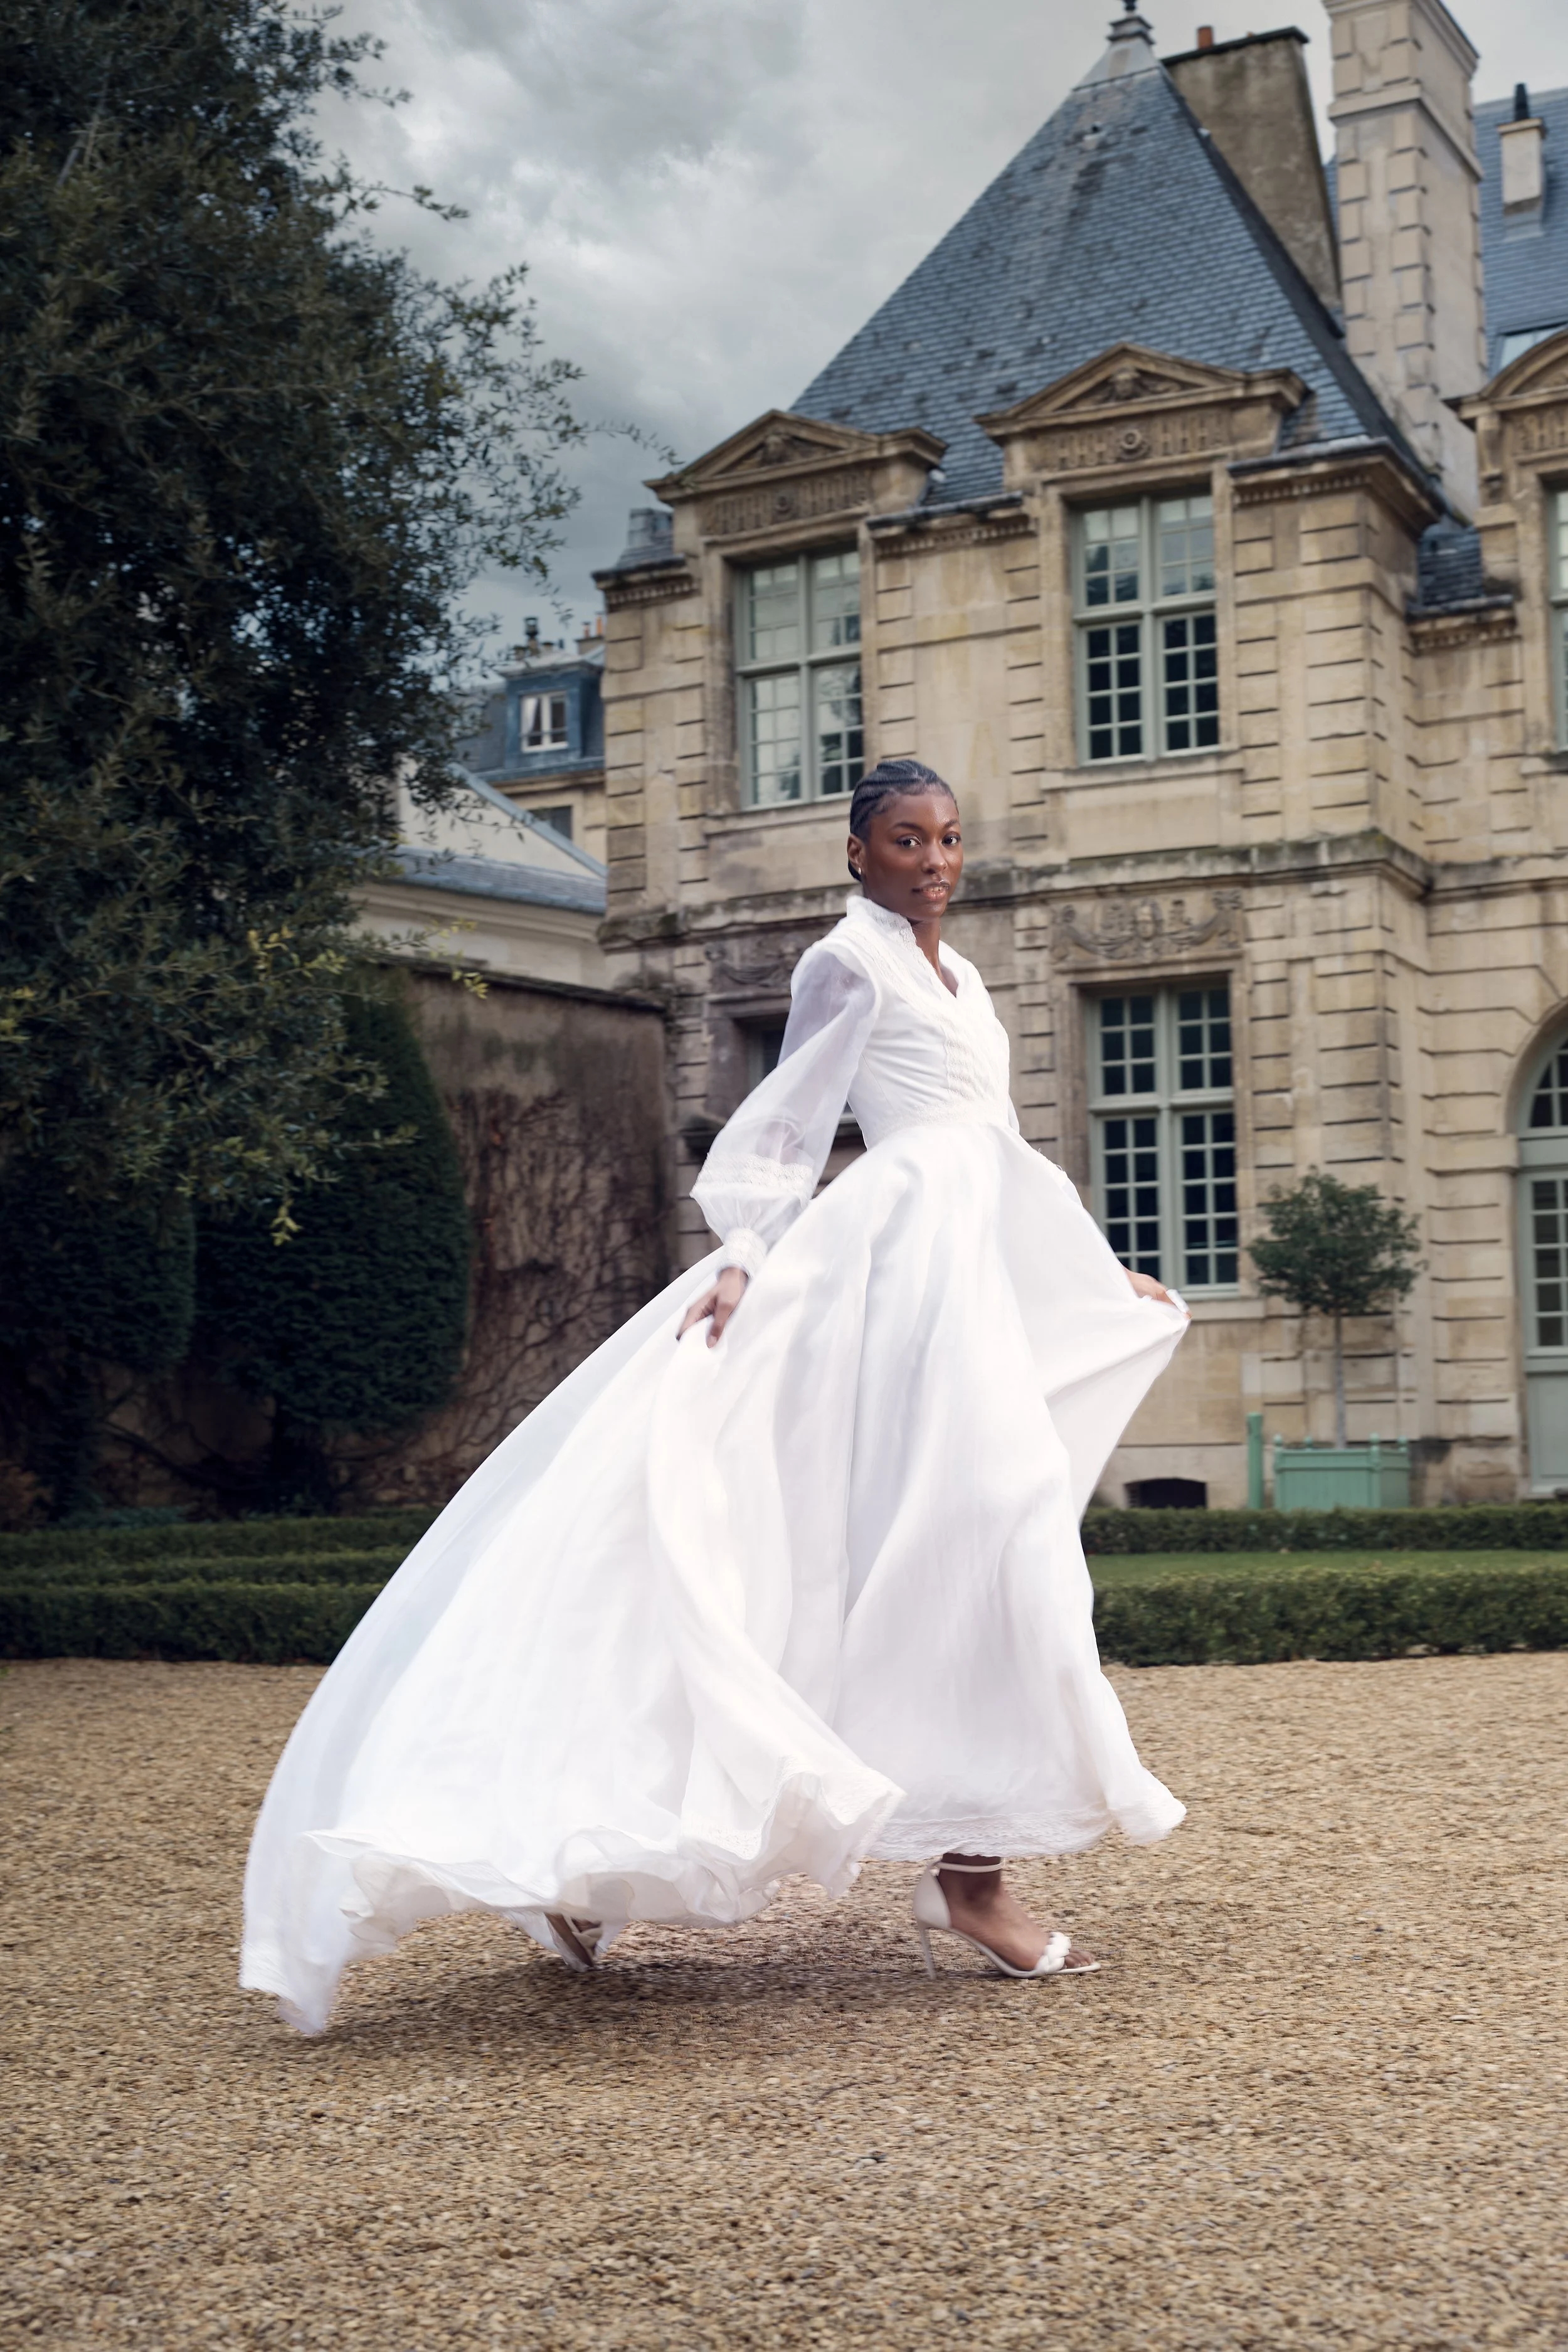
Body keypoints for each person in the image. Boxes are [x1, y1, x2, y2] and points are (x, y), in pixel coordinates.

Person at [241, 758, 1189, 2033]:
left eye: (947, 837)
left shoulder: (961, 978)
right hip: (889, 1277)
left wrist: (1086, 1270)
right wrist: (744, 1260)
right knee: (855, 1543)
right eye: (905, 840)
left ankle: (967, 1871)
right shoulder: (840, 963)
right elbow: (784, 1128)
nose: (933, 859)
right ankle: (624, 1854)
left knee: (994, 1531)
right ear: (857, 854)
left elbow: (1001, 1149)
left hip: (965, 1276)